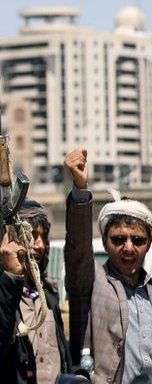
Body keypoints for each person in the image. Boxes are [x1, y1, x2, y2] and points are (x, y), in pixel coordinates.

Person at [64, 148, 152, 383]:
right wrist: (80, 190)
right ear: (104, 240)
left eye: (138, 240)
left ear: (149, 243)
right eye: (119, 239)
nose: (129, 248)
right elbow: (78, 250)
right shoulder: (91, 282)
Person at [0, 200, 71, 383]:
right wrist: (11, 277)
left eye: (44, 236)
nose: (40, 245)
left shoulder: (47, 291)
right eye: (32, 235)